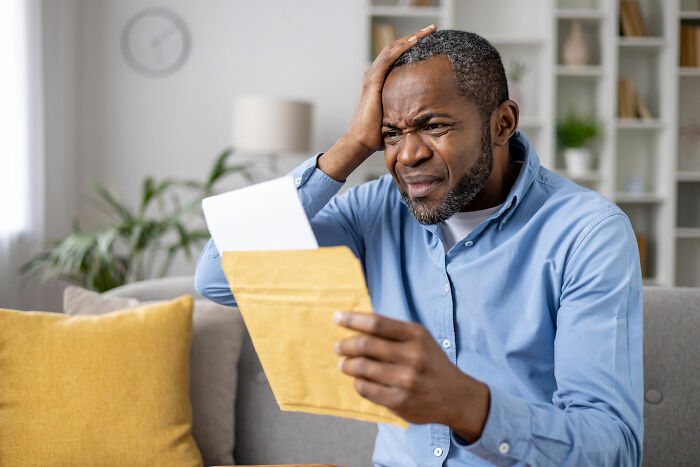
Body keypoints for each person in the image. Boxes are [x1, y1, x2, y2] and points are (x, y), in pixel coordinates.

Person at [195, 27, 643, 466]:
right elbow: (218, 277)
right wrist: (352, 145)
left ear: (502, 123)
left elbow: (612, 450)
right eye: (391, 134)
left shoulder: (588, 234)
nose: (407, 155)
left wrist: (467, 405)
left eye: (433, 126)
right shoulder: (373, 212)